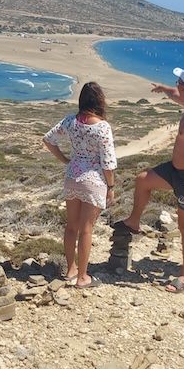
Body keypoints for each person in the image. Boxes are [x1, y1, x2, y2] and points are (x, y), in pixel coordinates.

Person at [113, 67, 184, 293]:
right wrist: (163, 89)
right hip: (175, 170)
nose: (176, 85)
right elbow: (175, 94)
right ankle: (134, 221)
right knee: (143, 180)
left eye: (178, 82)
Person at [43, 82, 117, 288]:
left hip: (72, 177)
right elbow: (108, 163)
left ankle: (71, 270)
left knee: (71, 226)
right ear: (100, 101)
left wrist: (64, 159)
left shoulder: (71, 121)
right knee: (86, 229)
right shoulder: (102, 127)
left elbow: (48, 139)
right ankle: (83, 277)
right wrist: (111, 187)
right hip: (94, 181)